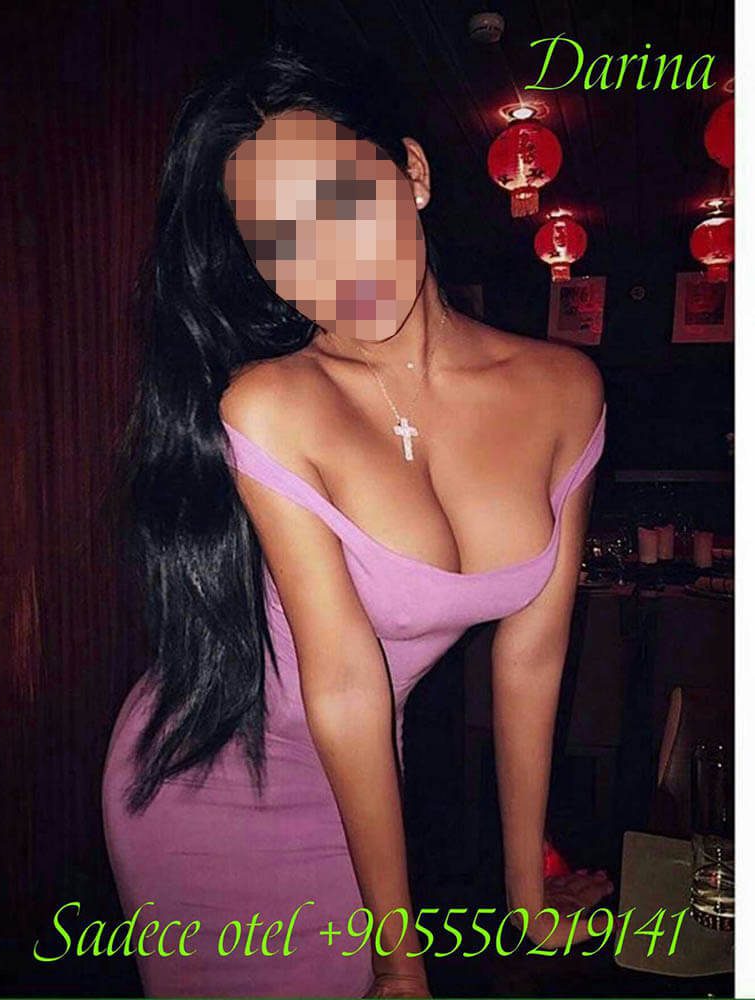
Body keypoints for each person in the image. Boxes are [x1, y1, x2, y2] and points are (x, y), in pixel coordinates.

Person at [101, 38, 611, 1000]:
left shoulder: (563, 389)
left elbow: (532, 656)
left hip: (370, 768)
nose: (328, 260)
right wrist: (399, 962)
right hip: (218, 776)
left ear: (411, 173)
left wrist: (526, 898)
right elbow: (338, 682)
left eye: (343, 198)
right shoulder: (272, 404)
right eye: (277, 238)